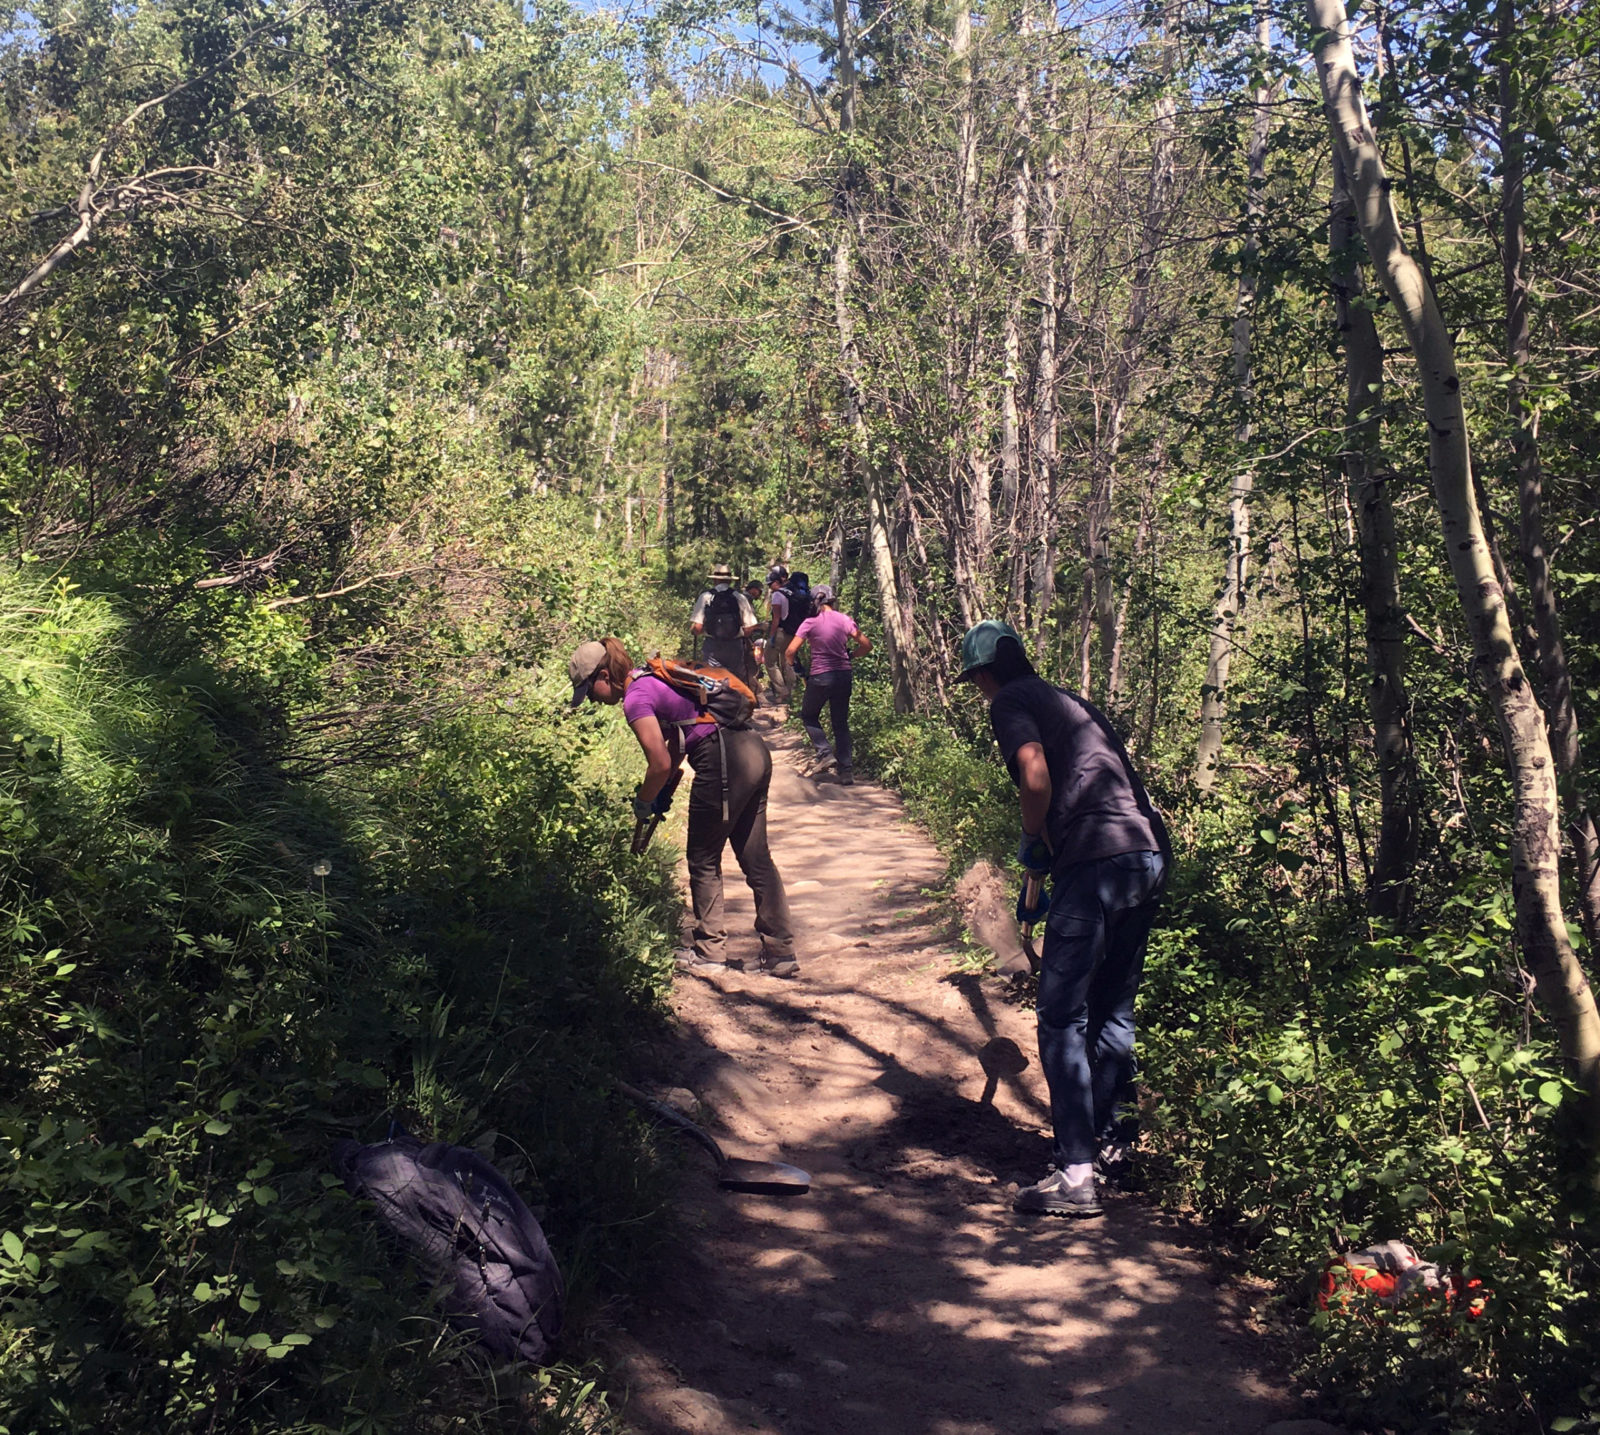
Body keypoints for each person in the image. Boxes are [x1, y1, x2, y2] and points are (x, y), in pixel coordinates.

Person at [957, 619, 1171, 1218]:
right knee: (1111, 1011)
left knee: (1059, 1015)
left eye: (976, 682)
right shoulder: (1072, 703)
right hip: (1146, 856)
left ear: (983, 675)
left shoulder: (1012, 702)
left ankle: (1076, 1173)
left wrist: (1033, 836)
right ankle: (1115, 1149)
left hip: (1098, 861)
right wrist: (1047, 864)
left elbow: (1035, 774)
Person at [568, 637, 798, 978]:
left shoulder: (635, 697)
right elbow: (676, 743)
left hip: (724, 758)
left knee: (703, 857)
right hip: (751, 749)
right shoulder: (650, 676)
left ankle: (709, 952)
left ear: (603, 675)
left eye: (590, 691)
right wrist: (662, 793)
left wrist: (644, 800)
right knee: (755, 856)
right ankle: (780, 953)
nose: (592, 700)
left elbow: (659, 762)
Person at [786, 584, 870, 787]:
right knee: (840, 722)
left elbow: (790, 651)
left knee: (808, 715)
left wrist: (797, 669)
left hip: (820, 676)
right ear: (832, 600)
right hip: (843, 675)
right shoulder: (844, 620)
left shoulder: (810, 622)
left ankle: (824, 752)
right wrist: (851, 655)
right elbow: (866, 645)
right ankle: (846, 771)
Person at [691, 563, 759, 681]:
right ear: (730, 581)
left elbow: (697, 628)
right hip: (735, 646)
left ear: (715, 580)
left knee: (712, 679)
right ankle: (734, 698)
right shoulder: (739, 597)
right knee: (736, 681)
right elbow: (750, 628)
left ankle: (715, 698)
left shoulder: (705, 597)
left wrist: (698, 630)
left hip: (712, 646)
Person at [764, 566, 796, 701]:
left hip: (781, 632)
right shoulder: (793, 592)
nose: (770, 587)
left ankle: (782, 692)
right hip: (793, 632)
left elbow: (776, 618)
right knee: (788, 660)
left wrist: (771, 636)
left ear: (777, 582)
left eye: (770, 584)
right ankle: (793, 691)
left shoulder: (777, 595)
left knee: (770, 661)